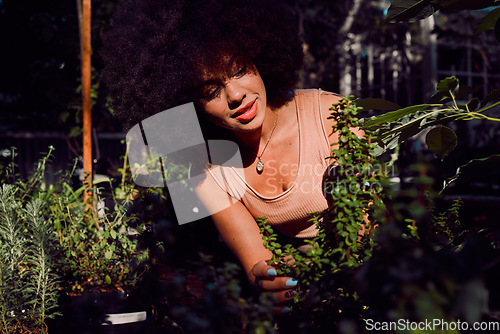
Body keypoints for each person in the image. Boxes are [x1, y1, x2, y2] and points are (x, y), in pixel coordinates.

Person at [102, 0, 361, 312]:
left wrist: (312, 262)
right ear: (186, 102)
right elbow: (256, 262)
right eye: (210, 90)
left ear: (260, 56)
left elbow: (364, 228)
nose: (235, 95)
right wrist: (269, 282)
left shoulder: (331, 115)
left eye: (239, 70)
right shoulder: (202, 166)